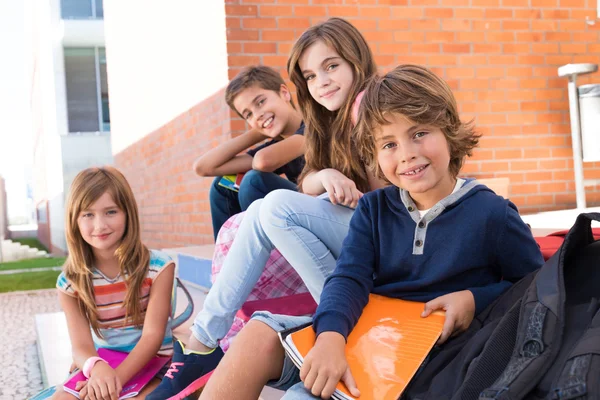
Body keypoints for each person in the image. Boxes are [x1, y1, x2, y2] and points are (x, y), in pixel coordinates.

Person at [201, 65, 545, 400]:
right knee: (257, 336)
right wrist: (331, 335)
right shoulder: (373, 209)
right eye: (388, 144)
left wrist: (474, 298)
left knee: (300, 395)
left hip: (432, 359)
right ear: (373, 154)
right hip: (366, 332)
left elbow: (536, 286)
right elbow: (348, 278)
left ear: (449, 131)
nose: (407, 154)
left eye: (419, 133)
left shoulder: (492, 212)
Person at [148, 17, 384, 400]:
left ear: (357, 60)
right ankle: (204, 340)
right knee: (247, 202)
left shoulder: (367, 105)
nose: (321, 81)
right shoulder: (327, 120)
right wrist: (325, 175)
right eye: (310, 75)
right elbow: (306, 179)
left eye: (332, 66)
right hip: (356, 237)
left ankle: (205, 341)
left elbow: (390, 198)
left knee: (269, 201)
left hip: (382, 236)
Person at [51, 166, 175, 399]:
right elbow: (80, 345)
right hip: (102, 363)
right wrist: (96, 369)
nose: (100, 225)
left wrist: (113, 381)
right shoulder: (70, 282)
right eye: (88, 214)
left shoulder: (159, 268)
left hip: (155, 361)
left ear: (128, 213)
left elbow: (152, 337)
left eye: (110, 212)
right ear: (74, 220)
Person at [193, 65, 305, 239]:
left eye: (261, 102)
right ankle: (229, 262)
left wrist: (262, 122)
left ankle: (260, 258)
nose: (257, 114)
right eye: (248, 115)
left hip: (324, 214)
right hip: (299, 213)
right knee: (224, 183)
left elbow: (262, 162)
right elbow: (204, 167)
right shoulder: (275, 145)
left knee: (254, 180)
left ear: (284, 93)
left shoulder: (312, 128)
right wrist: (259, 128)